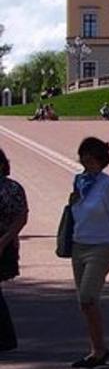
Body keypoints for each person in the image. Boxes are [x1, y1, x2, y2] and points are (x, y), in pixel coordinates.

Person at [69, 137, 109, 369]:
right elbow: (77, 212)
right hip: (79, 244)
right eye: (84, 158)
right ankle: (97, 348)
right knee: (85, 303)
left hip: (102, 246)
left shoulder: (108, 184)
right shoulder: (79, 181)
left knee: (88, 296)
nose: (86, 163)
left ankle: (99, 349)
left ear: (101, 161)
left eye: (91, 159)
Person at [0, 149, 28, 353]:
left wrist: (4, 240)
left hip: (4, 242)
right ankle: (7, 337)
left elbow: (21, 217)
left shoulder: (12, 188)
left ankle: (7, 337)